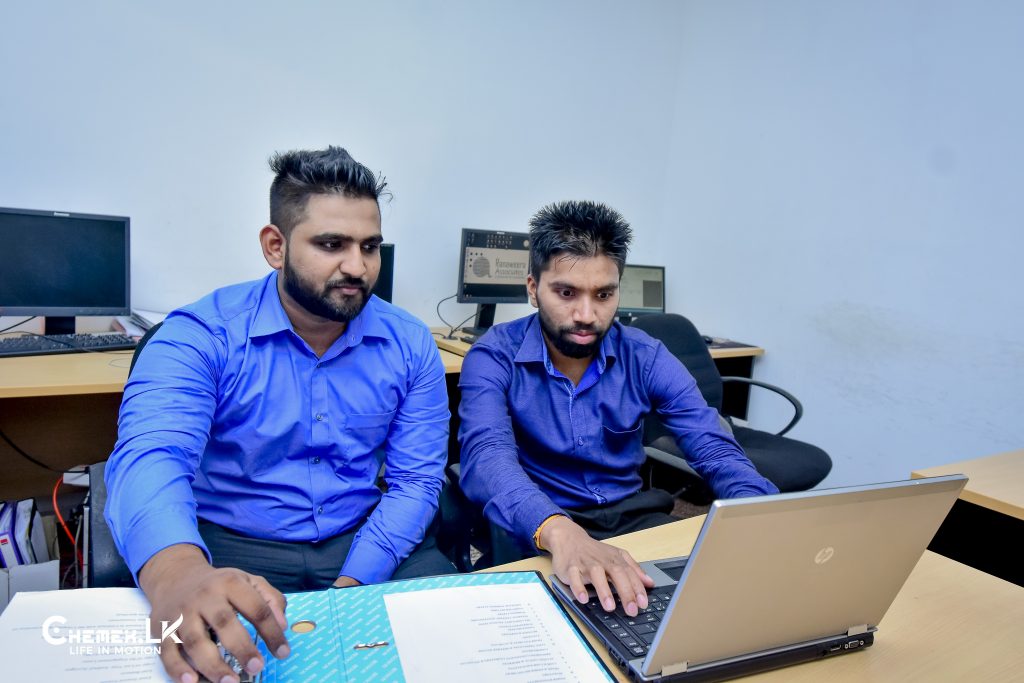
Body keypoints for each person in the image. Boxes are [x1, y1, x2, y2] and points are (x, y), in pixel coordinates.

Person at [105, 146, 453, 683]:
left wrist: (352, 587)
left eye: (370, 247)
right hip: (230, 546)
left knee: (462, 653)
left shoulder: (410, 343)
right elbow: (150, 456)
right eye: (331, 245)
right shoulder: (201, 335)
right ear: (275, 246)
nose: (357, 267)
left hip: (367, 538)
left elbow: (417, 482)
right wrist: (177, 572)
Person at [457, 200, 778, 620]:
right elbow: (486, 457)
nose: (586, 315)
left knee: (717, 611)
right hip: (543, 525)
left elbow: (712, 446)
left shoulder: (646, 355)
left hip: (632, 521)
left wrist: (758, 515)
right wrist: (560, 531)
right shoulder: (494, 355)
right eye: (566, 293)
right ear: (533, 289)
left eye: (603, 294)